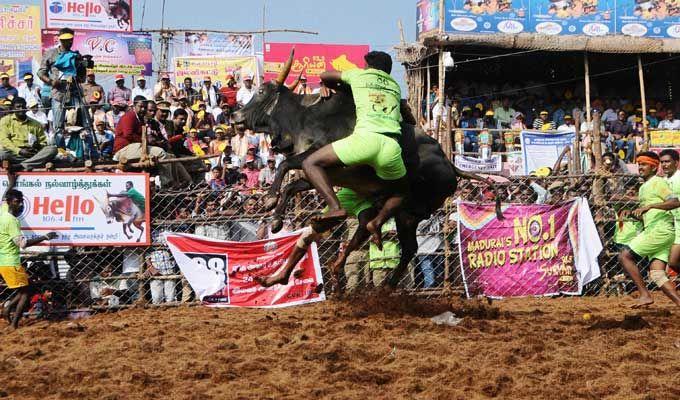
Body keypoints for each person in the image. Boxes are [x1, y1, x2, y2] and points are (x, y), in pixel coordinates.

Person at [301, 51, 407, 247]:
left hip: (365, 140)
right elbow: (407, 117)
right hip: (391, 146)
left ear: (368, 66)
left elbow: (325, 75)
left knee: (310, 162)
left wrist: (327, 84)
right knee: (400, 192)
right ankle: (377, 222)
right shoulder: (395, 86)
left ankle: (334, 207)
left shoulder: (359, 74)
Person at [618, 151, 680, 308]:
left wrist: (650, 205)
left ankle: (645, 294)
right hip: (658, 230)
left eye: (644, 164)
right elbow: (648, 213)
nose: (640, 167)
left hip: (659, 231)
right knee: (657, 274)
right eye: (639, 164)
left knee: (625, 255)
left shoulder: (658, 183)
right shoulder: (643, 187)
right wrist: (633, 214)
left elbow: (674, 202)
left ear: (654, 167)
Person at [0, 175, 57, 329]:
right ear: (13, 203)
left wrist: (11, 183)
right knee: (26, 293)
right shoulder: (11, 221)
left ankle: (7, 308)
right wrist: (45, 236)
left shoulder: (3, 212)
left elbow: (5, 197)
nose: (21, 205)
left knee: (26, 288)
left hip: (4, 262)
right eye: (19, 202)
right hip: (11, 262)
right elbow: (23, 243)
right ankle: (13, 323)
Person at [114, 96, 184, 188]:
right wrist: (146, 140)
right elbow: (128, 135)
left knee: (171, 157)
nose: (143, 109)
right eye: (140, 106)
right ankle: (166, 184)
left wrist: (150, 141)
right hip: (124, 149)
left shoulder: (140, 118)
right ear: (134, 106)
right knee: (161, 153)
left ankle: (179, 183)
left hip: (136, 146)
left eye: (145, 107)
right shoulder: (129, 116)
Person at [37, 27, 88, 147]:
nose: (68, 42)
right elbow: (40, 72)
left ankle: (83, 151)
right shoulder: (51, 54)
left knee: (83, 123)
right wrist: (50, 81)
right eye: (65, 40)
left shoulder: (76, 55)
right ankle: (61, 152)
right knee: (58, 126)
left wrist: (82, 65)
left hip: (75, 92)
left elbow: (82, 78)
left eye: (70, 40)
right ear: (60, 40)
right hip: (58, 93)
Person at [0, 97, 57, 171]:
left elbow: (43, 142)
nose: (21, 109)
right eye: (18, 107)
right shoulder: (5, 120)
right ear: (13, 108)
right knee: (2, 153)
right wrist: (19, 151)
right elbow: (4, 140)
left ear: (26, 107)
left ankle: (21, 166)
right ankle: (29, 163)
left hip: (32, 154)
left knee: (53, 149)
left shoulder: (35, 123)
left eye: (23, 106)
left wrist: (38, 145)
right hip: (15, 154)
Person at [659, 149, 680, 275]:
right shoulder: (662, 181)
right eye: (662, 162)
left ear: (676, 163)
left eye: (667, 161)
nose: (664, 165)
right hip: (670, 223)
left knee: (672, 261)